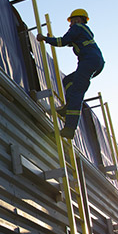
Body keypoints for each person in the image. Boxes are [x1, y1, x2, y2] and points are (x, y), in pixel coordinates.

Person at [36, 9, 104, 139]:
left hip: (89, 61)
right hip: (95, 62)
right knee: (68, 81)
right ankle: (68, 106)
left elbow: (62, 41)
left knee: (77, 92)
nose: (70, 25)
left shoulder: (77, 27)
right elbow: (68, 42)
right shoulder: (82, 30)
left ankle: (69, 129)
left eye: (71, 21)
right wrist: (51, 39)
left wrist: (44, 38)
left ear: (78, 20)